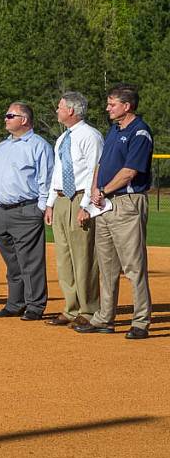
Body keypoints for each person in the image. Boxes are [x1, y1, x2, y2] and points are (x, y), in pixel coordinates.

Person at [73, 84, 154, 339]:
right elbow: (101, 164)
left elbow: (130, 171)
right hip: (104, 203)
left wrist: (104, 190)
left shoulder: (139, 132)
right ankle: (104, 317)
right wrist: (96, 190)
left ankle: (140, 320)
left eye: (112, 104)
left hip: (126, 203)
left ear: (126, 106)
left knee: (133, 266)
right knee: (106, 265)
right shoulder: (113, 129)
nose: (108, 108)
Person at [0, 102, 54, 321]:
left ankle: (35, 305)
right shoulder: (1, 147)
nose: (6, 118)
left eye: (11, 115)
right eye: (6, 115)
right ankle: (15, 303)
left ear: (24, 120)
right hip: (1, 211)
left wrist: (40, 209)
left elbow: (45, 180)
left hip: (26, 210)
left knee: (30, 260)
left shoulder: (38, 145)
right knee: (12, 260)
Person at [43, 92, 103, 327]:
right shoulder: (62, 139)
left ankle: (89, 311)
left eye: (59, 107)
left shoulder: (91, 136)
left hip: (80, 198)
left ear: (71, 110)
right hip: (60, 200)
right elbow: (57, 173)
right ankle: (71, 308)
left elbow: (95, 172)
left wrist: (86, 206)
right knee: (64, 258)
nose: (57, 110)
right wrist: (49, 203)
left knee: (84, 257)